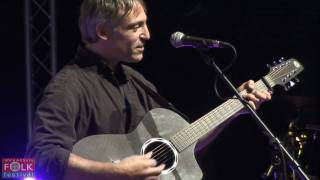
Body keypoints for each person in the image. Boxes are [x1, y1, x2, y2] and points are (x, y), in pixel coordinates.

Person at [25, 0, 272, 179]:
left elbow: (182, 143)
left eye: (146, 25)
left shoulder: (135, 81)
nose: (147, 35)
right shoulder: (68, 86)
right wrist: (117, 172)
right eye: (135, 27)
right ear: (102, 32)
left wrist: (234, 108)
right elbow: (40, 157)